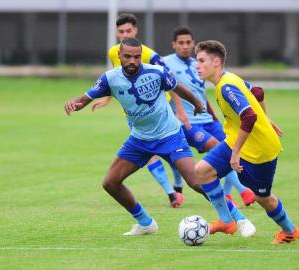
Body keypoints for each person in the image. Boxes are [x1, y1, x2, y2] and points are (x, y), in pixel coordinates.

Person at [64, 38, 206, 235]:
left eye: (136, 57)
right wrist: (75, 103)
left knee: (196, 182)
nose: (132, 60)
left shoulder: (156, 72)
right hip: (140, 140)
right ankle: (146, 223)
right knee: (110, 183)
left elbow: (177, 87)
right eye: (128, 56)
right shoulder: (109, 78)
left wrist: (197, 103)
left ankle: (234, 216)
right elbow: (86, 98)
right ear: (119, 56)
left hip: (170, 135)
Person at [194, 40, 299, 244]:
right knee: (202, 171)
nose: (197, 65)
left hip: (260, 150)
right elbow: (257, 92)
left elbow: (249, 116)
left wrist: (236, 152)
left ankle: (289, 231)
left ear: (216, 62)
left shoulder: (226, 87)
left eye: (201, 60)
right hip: (237, 141)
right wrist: (266, 119)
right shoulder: (228, 79)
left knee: (263, 198)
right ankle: (226, 221)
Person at [93, 13, 184, 208]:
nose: (125, 34)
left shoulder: (150, 55)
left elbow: (171, 81)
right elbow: (115, 80)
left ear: (136, 31)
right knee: (149, 152)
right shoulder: (113, 52)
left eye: (129, 30)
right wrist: (107, 98)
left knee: (173, 156)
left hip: (161, 110)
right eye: (121, 31)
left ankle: (178, 185)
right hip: (134, 114)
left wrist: (180, 110)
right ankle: (171, 193)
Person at [163, 26, 256, 208]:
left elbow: (201, 94)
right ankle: (243, 190)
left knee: (234, 146)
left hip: (207, 120)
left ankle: (227, 194)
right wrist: (179, 111)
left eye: (188, 42)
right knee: (216, 146)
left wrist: (213, 116)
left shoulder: (198, 64)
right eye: (181, 43)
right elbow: (168, 86)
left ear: (193, 43)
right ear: (173, 45)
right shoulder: (165, 63)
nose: (185, 46)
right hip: (188, 123)